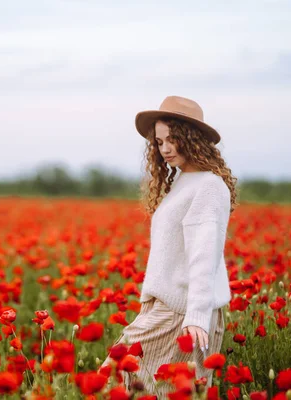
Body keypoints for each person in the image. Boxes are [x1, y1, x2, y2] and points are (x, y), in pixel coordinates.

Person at [99, 95, 238, 397]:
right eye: (159, 142)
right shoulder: (183, 183)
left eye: (173, 139)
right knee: (133, 386)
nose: (165, 149)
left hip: (183, 313)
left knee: (121, 381)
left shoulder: (209, 186)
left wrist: (197, 315)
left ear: (193, 139)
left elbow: (205, 255)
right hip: (165, 307)